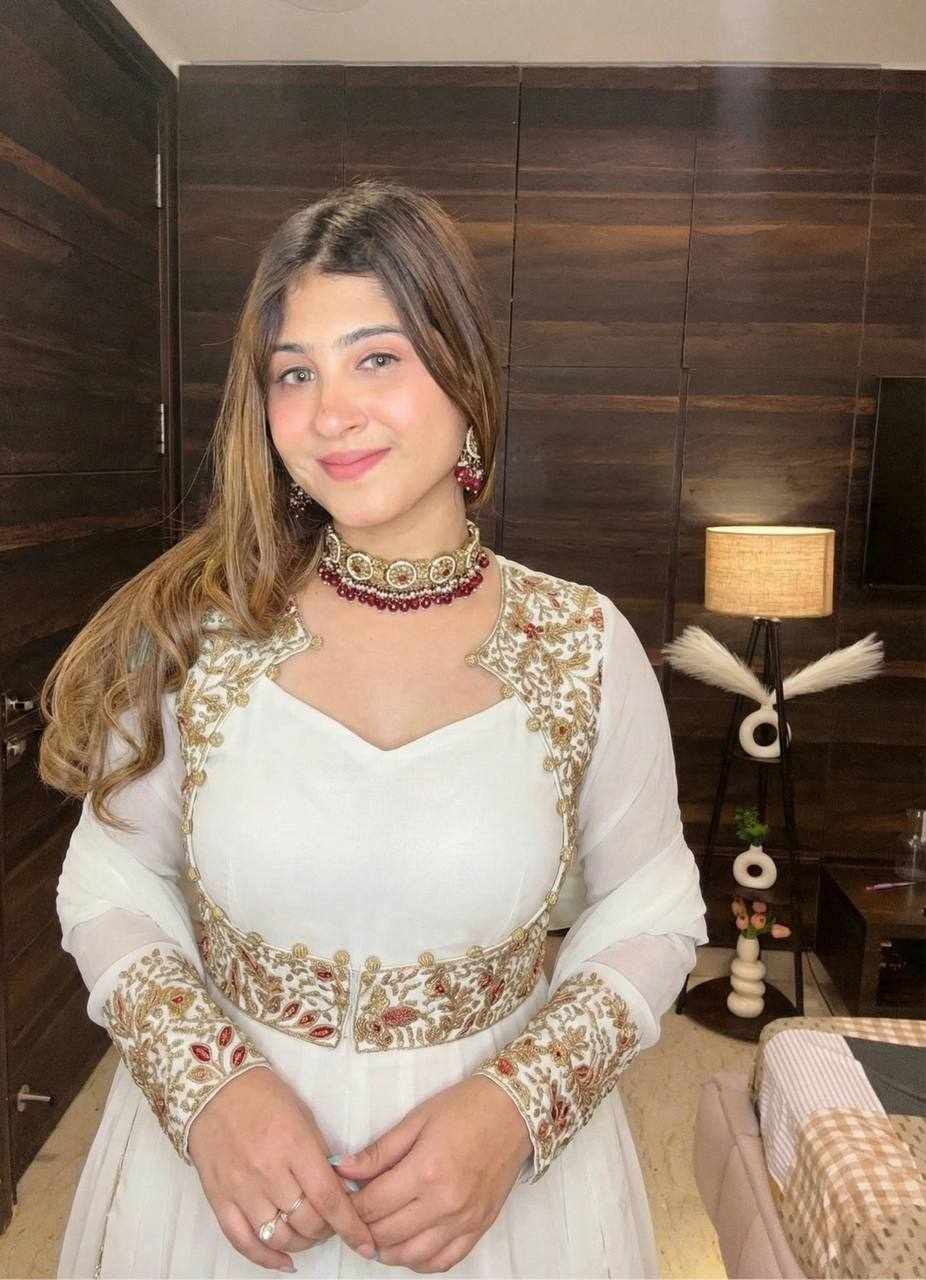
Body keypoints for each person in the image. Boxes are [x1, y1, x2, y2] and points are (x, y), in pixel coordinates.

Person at [45, 177, 707, 1279]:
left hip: (497, 1205)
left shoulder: (582, 645)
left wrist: (517, 1106)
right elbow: (109, 879)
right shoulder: (197, 636)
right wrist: (209, 1090)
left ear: (464, 375)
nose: (329, 413)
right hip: (221, 1198)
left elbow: (652, 908)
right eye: (294, 373)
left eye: (377, 359)